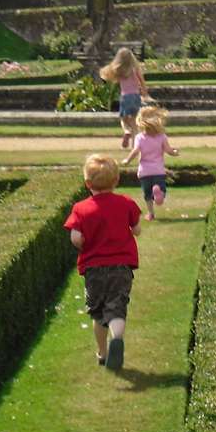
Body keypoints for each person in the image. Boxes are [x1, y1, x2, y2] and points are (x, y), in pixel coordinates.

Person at [63, 153, 142, 370]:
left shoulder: (80, 209)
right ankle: (117, 336)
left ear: (88, 183)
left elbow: (76, 238)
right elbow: (137, 229)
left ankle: (102, 352)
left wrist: (83, 242)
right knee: (117, 307)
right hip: (121, 267)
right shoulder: (126, 203)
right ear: (116, 180)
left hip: (93, 268)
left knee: (98, 313)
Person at [121, 104, 179, 220]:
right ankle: (159, 192)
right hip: (158, 170)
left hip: (144, 171)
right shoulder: (162, 137)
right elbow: (168, 150)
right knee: (161, 189)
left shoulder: (139, 138)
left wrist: (127, 160)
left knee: (147, 195)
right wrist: (175, 152)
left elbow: (135, 151)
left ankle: (151, 213)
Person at [99, 46, 149, 148]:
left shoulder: (119, 70)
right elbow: (142, 82)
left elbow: (108, 76)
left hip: (125, 97)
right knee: (135, 122)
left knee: (123, 119)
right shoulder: (135, 69)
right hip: (135, 96)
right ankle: (134, 145)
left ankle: (126, 131)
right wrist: (144, 93)